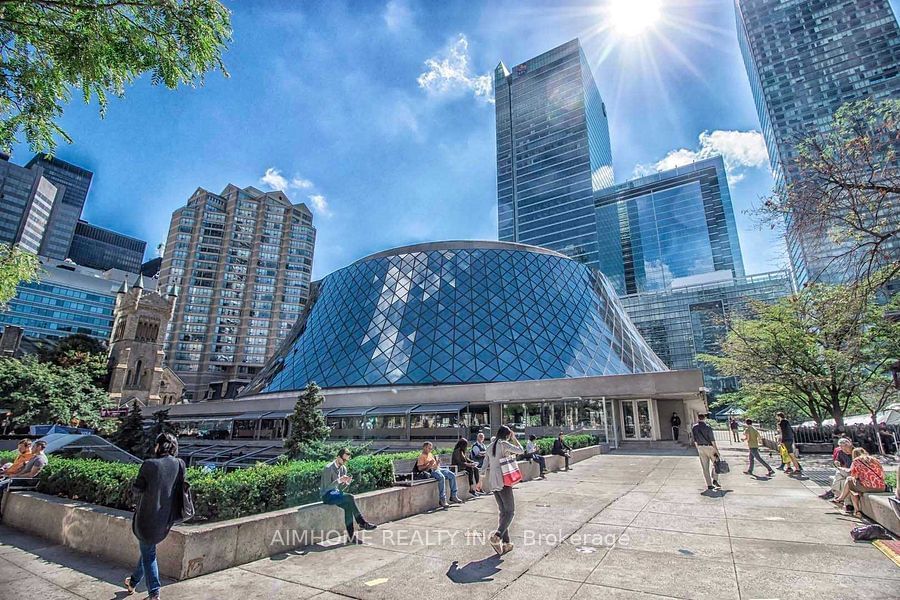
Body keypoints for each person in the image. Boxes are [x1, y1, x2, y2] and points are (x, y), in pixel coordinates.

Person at [125, 434, 185, 600]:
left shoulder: (149, 464)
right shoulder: (180, 464)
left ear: (160, 446)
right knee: (148, 550)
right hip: (166, 519)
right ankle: (133, 582)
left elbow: (137, 489)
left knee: (149, 553)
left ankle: (154, 593)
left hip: (147, 519)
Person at [320, 448, 377, 544]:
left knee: (349, 507)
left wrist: (346, 483)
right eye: (344, 459)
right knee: (350, 497)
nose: (345, 462)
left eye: (347, 460)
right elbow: (326, 489)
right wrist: (339, 480)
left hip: (337, 494)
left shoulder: (343, 469)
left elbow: (341, 490)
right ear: (338, 457)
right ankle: (362, 523)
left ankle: (351, 537)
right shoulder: (328, 468)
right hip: (327, 496)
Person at [481, 425, 522, 555]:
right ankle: (497, 536)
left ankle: (506, 543)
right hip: (504, 480)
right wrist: (514, 438)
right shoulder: (504, 444)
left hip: (493, 481)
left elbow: (483, 466)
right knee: (510, 512)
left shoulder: (489, 446)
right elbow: (520, 450)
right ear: (506, 434)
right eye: (509, 434)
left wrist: (480, 481)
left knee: (503, 512)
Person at [833, 448, 886, 518]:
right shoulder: (875, 460)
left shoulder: (856, 461)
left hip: (868, 486)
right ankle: (842, 501)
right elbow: (883, 475)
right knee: (853, 488)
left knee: (850, 483)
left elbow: (854, 475)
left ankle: (845, 502)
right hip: (881, 487)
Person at [417, 441, 461, 508]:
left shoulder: (430, 454)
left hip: (438, 469)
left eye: (431, 448)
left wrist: (437, 463)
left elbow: (435, 465)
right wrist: (429, 465)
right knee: (441, 477)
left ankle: (453, 495)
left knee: (452, 475)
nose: (430, 450)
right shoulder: (421, 456)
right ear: (424, 448)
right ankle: (442, 499)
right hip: (431, 471)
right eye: (429, 448)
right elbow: (420, 468)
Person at [691, 414, 721, 491]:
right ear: (704, 418)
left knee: (705, 467)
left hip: (700, 447)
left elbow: (694, 439)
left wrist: (698, 448)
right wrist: (716, 450)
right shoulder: (708, 427)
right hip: (710, 447)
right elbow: (712, 440)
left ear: (698, 418)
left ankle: (709, 484)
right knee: (716, 463)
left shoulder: (694, 427)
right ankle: (715, 478)